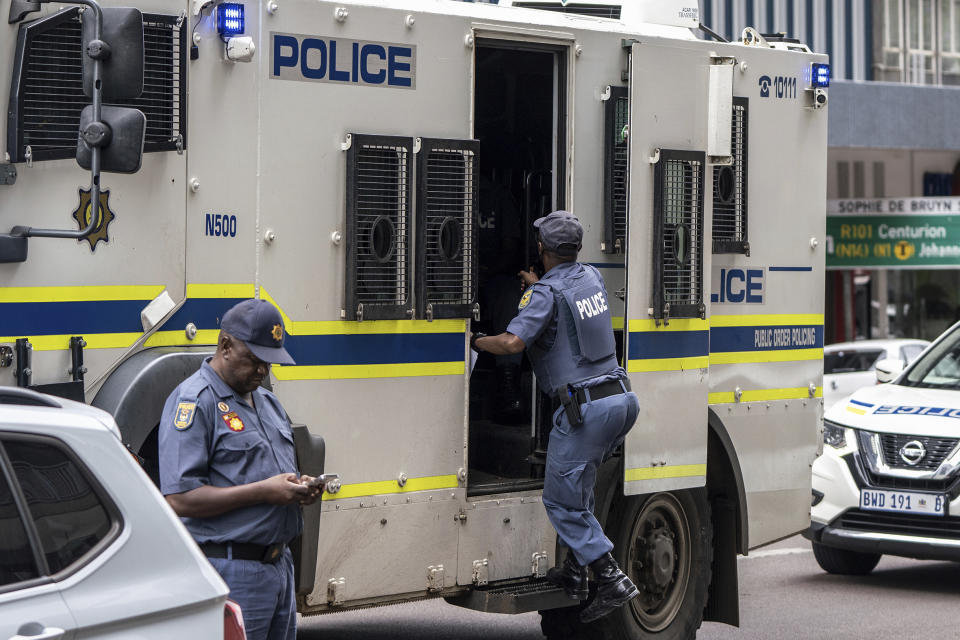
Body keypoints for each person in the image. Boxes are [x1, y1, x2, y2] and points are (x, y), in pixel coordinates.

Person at [470, 210, 641, 623]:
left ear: (542, 250)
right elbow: (566, 296)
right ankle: (574, 574)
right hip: (619, 400)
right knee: (579, 488)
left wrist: (474, 339)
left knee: (560, 501)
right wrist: (539, 285)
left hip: (585, 410)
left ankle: (611, 576)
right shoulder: (591, 278)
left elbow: (513, 343)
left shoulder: (545, 295)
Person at [159, 299, 322, 640]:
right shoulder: (194, 401)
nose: (263, 371)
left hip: (279, 568)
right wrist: (265, 492)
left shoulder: (267, 401)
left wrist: (298, 487)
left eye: (270, 363)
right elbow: (179, 498)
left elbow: (269, 472)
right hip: (232, 572)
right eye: (255, 360)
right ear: (225, 346)